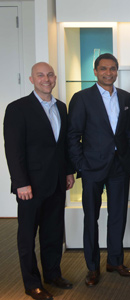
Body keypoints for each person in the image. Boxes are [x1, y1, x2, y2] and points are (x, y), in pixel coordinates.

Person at [4, 62, 75, 300]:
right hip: (30, 186)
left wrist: (68, 172)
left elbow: (62, 146)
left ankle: (53, 274)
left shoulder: (61, 108)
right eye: (41, 75)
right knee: (27, 235)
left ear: (55, 78)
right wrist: (20, 182)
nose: (46, 79)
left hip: (56, 182)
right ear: (32, 79)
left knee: (53, 232)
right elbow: (13, 150)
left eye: (50, 75)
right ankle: (31, 282)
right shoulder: (18, 108)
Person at [68, 53, 130, 286]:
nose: (109, 73)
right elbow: (73, 135)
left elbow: (128, 132)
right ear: (95, 72)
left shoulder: (126, 97)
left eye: (113, 69)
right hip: (92, 168)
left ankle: (115, 261)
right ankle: (92, 267)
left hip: (119, 166)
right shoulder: (82, 98)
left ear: (117, 71)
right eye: (104, 69)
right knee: (92, 218)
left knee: (118, 216)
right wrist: (81, 165)